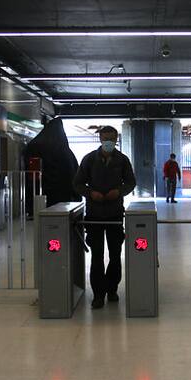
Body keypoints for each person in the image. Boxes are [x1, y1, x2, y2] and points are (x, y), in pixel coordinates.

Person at [73, 126, 136, 309]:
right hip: (94, 215)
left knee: (116, 255)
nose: (108, 142)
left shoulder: (122, 160)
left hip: (115, 214)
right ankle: (98, 294)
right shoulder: (89, 159)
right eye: (105, 138)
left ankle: (112, 289)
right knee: (97, 256)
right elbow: (77, 183)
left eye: (111, 138)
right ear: (100, 139)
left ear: (116, 139)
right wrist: (90, 193)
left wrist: (119, 192)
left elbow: (131, 182)